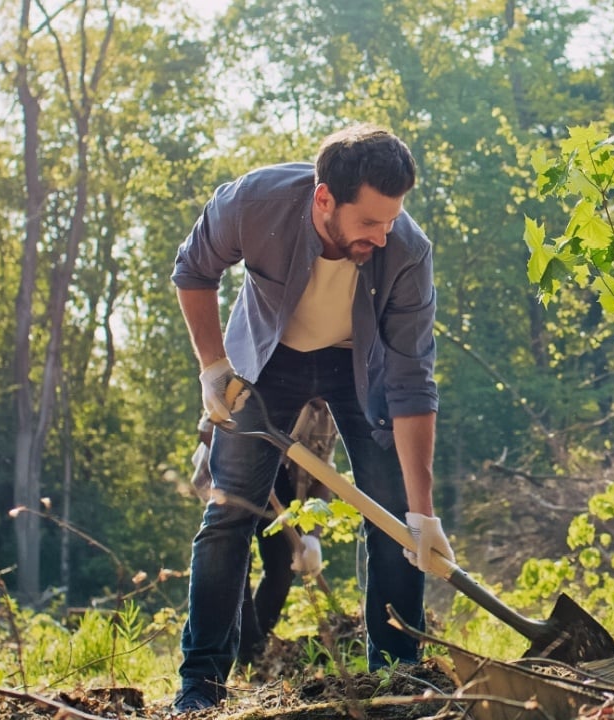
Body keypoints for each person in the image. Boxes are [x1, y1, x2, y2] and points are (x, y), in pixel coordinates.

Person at [170, 124, 454, 713]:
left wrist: (423, 514)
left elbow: (411, 383)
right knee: (229, 516)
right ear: (324, 199)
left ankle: (398, 679)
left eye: (392, 219)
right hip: (268, 363)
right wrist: (213, 368)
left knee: (397, 519)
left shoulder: (407, 250)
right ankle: (201, 684)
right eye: (369, 222)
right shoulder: (254, 203)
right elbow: (194, 269)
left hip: (361, 365)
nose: (383, 234)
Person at [188, 398, 338, 667]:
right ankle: (250, 652)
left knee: (283, 566)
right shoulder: (264, 375)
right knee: (234, 562)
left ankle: (255, 647)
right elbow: (208, 430)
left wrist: (312, 537)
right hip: (235, 476)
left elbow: (323, 477)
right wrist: (252, 463)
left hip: (283, 483)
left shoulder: (328, 415)